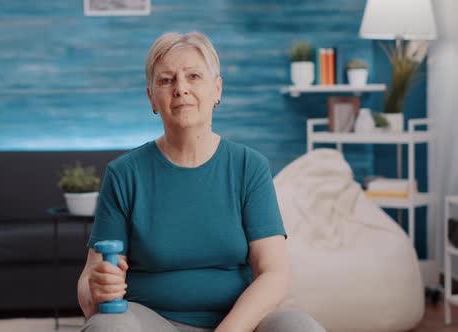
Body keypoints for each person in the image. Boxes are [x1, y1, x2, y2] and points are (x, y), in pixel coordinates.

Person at [77, 31, 325, 332]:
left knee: (299, 327)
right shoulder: (124, 174)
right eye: (166, 80)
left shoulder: (250, 167)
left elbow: (274, 273)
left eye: (193, 76)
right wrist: (98, 288)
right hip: (150, 320)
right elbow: (92, 277)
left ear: (217, 89)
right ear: (152, 98)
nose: (181, 88)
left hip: (240, 322)